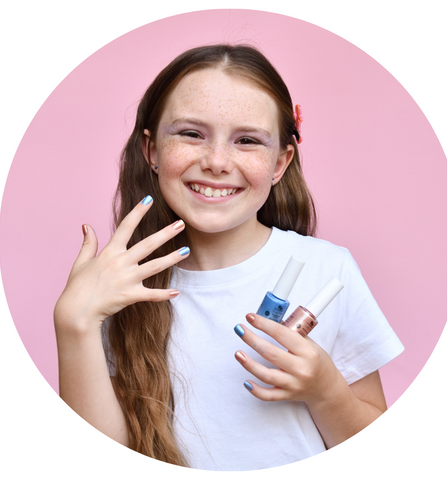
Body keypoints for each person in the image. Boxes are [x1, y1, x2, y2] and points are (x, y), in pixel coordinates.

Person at [54, 44, 404, 471]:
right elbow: (98, 462)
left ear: (280, 162)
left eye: (247, 141)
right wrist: (74, 324)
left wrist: (325, 389)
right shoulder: (121, 285)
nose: (217, 161)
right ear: (151, 151)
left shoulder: (328, 269)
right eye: (191, 134)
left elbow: (379, 453)